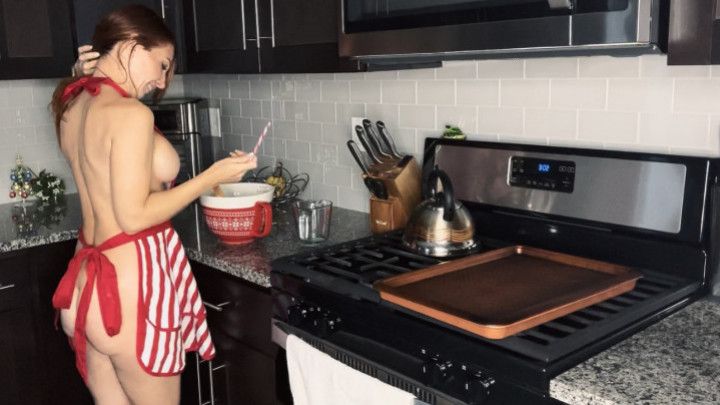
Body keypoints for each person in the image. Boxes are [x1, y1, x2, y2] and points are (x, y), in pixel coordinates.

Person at [49, 5, 257, 405]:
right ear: (130, 46)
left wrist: (81, 77)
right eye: (161, 64)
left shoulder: (71, 104)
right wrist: (211, 177)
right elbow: (134, 216)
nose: (161, 80)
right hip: (130, 294)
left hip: (84, 289)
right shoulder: (129, 114)